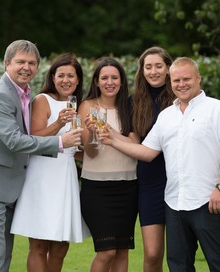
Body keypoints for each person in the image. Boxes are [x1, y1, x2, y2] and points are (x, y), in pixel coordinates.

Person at [102, 57, 220, 272]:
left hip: (207, 200)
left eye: (187, 79)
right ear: (171, 81)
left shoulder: (217, 109)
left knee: (218, 263)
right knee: (178, 266)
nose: (181, 84)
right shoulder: (167, 116)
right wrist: (112, 139)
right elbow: (147, 153)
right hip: (174, 203)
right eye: (176, 80)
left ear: (198, 78)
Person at [0, 40, 83, 272]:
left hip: (10, 185)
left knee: (3, 256)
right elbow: (15, 140)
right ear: (7, 63)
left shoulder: (23, 92)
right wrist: (60, 141)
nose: (26, 67)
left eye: (31, 63)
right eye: (20, 62)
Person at [10, 52, 90, 272]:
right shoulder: (42, 100)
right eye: (61, 75)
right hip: (42, 175)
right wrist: (57, 123)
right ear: (53, 78)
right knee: (39, 243)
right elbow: (33, 138)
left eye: (71, 76)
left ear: (78, 79)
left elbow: (75, 148)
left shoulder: (80, 106)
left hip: (66, 175)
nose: (66, 80)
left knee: (61, 245)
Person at [77, 57, 138, 272]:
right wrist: (92, 133)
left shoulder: (130, 106)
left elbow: (135, 145)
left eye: (114, 77)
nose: (109, 82)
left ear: (121, 81)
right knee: (106, 252)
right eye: (104, 78)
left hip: (128, 187)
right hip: (97, 189)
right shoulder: (87, 107)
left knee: (122, 251)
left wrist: (111, 134)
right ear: (96, 81)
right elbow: (91, 153)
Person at [131, 46, 176, 272]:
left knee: (180, 254)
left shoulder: (180, 99)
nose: (153, 71)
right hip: (149, 183)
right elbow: (133, 142)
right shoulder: (135, 102)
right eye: (148, 67)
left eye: (159, 66)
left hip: (179, 180)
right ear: (142, 71)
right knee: (152, 253)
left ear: (168, 68)